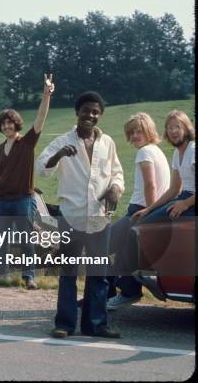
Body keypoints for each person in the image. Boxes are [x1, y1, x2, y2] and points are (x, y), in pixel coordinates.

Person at [36, 91, 124, 339]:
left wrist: (116, 189)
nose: (90, 115)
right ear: (77, 112)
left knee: (99, 275)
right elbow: (41, 169)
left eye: (95, 111)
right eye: (86, 110)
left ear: (100, 115)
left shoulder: (108, 143)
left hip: (99, 218)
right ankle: (64, 324)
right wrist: (59, 155)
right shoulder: (63, 141)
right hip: (71, 217)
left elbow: (117, 172)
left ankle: (96, 325)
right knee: (68, 273)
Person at [109, 110, 196, 310]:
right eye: (170, 127)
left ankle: (130, 288)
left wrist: (185, 204)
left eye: (178, 126)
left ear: (186, 128)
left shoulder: (192, 149)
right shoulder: (177, 152)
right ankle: (134, 282)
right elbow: (174, 190)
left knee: (134, 232)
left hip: (191, 200)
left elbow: (154, 186)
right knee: (140, 226)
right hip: (182, 197)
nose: (174, 131)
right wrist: (149, 209)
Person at [0, 74, 55, 290]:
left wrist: (46, 95)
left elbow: (40, 118)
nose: (7, 126)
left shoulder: (27, 143)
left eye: (10, 123)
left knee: (26, 240)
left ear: (16, 124)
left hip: (23, 199)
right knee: (2, 241)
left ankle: (29, 277)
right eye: (3, 124)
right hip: (2, 199)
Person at [105, 113, 170, 308]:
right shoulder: (156, 150)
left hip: (141, 210)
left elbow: (151, 185)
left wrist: (150, 213)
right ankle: (110, 295)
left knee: (102, 247)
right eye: (131, 132)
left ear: (148, 131)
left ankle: (125, 293)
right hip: (148, 209)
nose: (134, 136)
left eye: (138, 131)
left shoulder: (145, 153)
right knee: (119, 251)